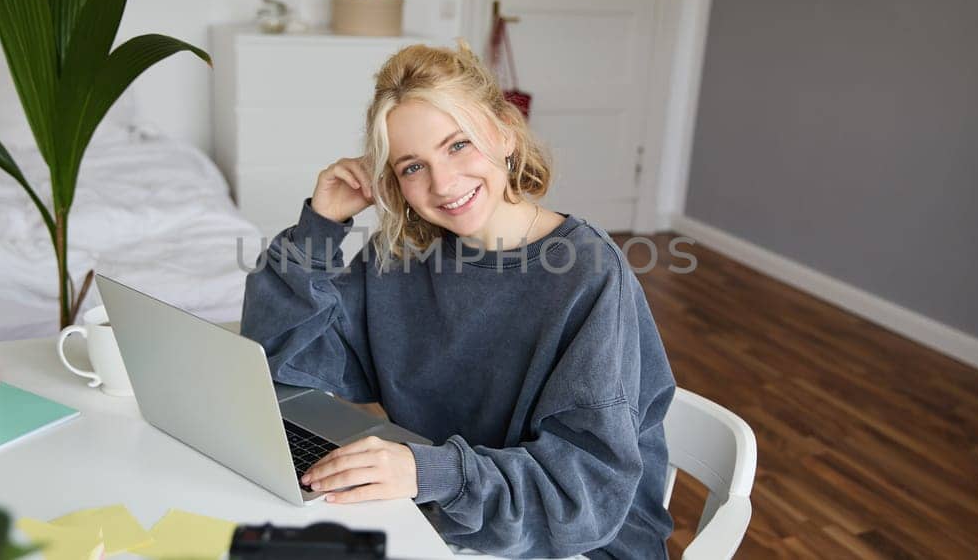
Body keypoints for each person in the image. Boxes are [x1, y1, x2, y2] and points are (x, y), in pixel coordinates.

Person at [240, 41, 676, 559]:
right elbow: (283, 360)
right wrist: (321, 226)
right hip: (443, 512)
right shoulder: (400, 256)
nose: (443, 183)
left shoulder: (589, 275)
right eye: (411, 167)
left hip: (570, 542)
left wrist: (429, 471)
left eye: (458, 145)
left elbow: (582, 496)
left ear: (506, 134)